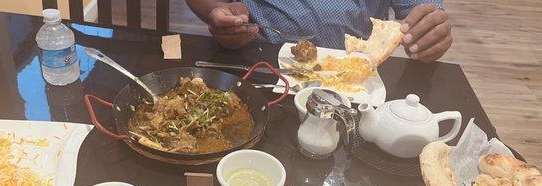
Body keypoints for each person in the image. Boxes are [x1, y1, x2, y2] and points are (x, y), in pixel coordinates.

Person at [185, 0, 452, 63]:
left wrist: (429, 30)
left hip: (353, 72)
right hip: (257, 61)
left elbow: (421, 8)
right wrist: (219, 11)